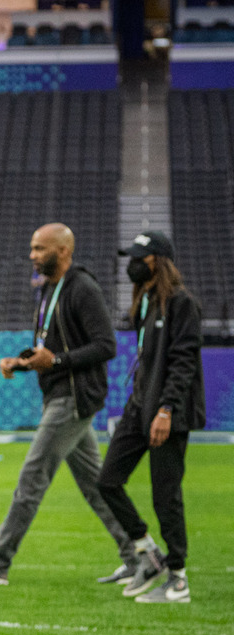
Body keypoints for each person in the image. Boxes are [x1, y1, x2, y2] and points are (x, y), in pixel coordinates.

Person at [0, 223, 138, 586]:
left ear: (64, 251)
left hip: (72, 399)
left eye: (40, 249)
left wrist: (55, 362)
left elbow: (106, 346)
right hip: (59, 395)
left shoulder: (82, 288)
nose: (33, 256)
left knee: (31, 479)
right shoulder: (50, 290)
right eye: (32, 249)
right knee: (98, 486)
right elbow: (48, 349)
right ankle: (141, 556)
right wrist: (21, 363)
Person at [97, 231, 204, 603]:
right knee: (108, 480)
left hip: (166, 412)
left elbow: (184, 361)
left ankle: (178, 577)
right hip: (139, 406)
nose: (133, 264)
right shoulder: (146, 304)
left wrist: (166, 409)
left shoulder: (181, 303)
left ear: (157, 260)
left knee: (165, 496)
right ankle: (148, 552)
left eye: (140, 257)